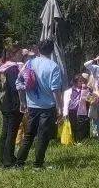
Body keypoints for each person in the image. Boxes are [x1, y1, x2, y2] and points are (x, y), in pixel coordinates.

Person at [14, 38, 65, 169]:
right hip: (48, 107)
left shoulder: (29, 63)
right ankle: (38, 165)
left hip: (32, 105)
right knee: (43, 136)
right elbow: (55, 90)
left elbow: (18, 83)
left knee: (29, 135)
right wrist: (60, 107)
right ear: (51, 51)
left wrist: (22, 101)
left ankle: (19, 163)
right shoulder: (54, 66)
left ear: (38, 50)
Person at [0, 47, 23, 168]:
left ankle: (1, 158)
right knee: (11, 133)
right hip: (12, 105)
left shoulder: (3, 67)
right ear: (14, 54)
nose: (21, 55)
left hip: (4, 103)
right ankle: (8, 161)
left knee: (6, 132)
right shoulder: (12, 69)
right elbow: (15, 86)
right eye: (19, 52)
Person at [64, 74, 91, 144]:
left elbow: (89, 99)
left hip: (81, 110)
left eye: (83, 81)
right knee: (73, 125)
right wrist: (65, 113)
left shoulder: (85, 90)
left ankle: (80, 140)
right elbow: (66, 102)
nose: (82, 83)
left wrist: (86, 90)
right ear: (75, 82)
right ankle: (74, 140)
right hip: (72, 110)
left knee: (81, 125)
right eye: (80, 81)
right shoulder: (69, 91)